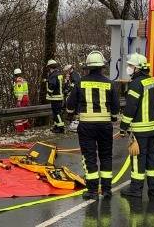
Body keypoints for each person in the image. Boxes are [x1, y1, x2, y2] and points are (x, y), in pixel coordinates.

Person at [65, 51, 120, 199]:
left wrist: (70, 114)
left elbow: (70, 104)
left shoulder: (80, 82)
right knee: (106, 156)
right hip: (105, 126)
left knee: (89, 157)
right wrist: (114, 117)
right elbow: (115, 105)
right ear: (102, 67)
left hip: (86, 126)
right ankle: (107, 190)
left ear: (88, 67)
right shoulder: (110, 83)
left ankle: (93, 191)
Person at [119, 53, 154, 198]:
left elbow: (131, 108)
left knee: (137, 158)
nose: (129, 68)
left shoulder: (135, 84)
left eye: (131, 66)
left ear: (137, 68)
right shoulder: (151, 81)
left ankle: (135, 189)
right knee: (151, 158)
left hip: (139, 129)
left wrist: (123, 127)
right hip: (151, 128)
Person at [45, 59, 66, 133]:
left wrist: (49, 92)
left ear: (50, 67)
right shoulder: (59, 74)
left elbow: (52, 85)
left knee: (57, 113)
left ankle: (61, 127)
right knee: (56, 113)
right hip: (59, 96)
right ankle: (57, 126)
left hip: (55, 97)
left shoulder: (53, 75)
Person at [12, 68, 30, 133]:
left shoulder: (19, 81)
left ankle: (20, 130)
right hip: (26, 98)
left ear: (15, 75)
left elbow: (20, 92)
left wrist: (19, 101)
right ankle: (26, 127)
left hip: (22, 99)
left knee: (18, 116)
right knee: (24, 114)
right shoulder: (23, 80)